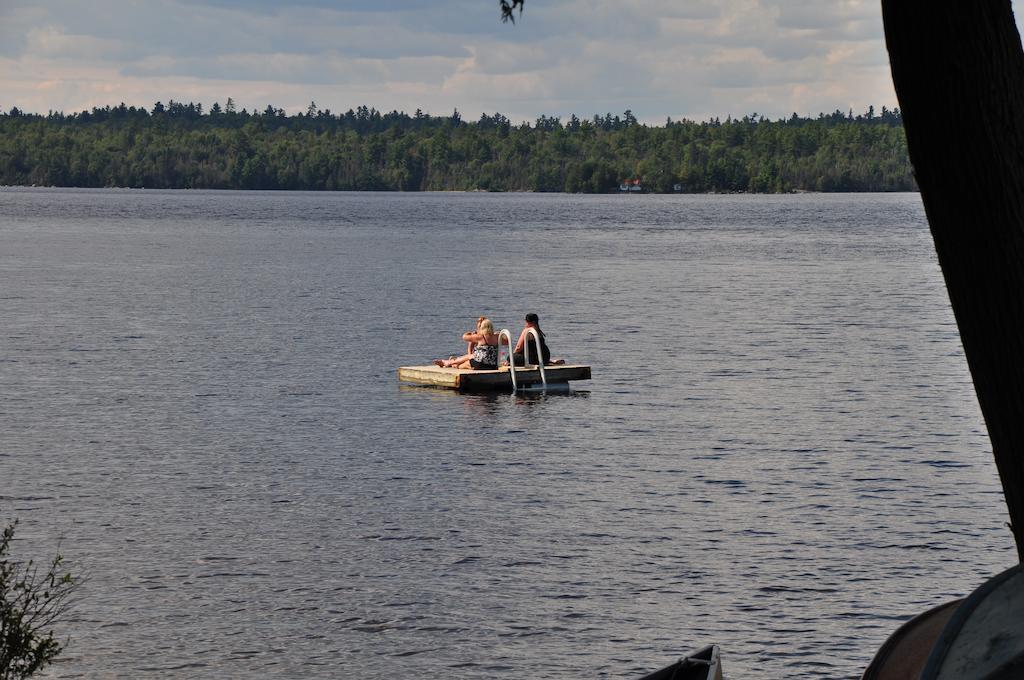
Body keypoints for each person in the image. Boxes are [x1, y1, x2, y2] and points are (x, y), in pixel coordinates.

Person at [433, 318, 500, 369]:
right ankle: (450, 362)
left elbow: (464, 337)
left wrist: (469, 333)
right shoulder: (497, 337)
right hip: (493, 365)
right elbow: (507, 341)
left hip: (480, 364)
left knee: (462, 364)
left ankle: (449, 363)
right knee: (471, 356)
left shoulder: (480, 337)